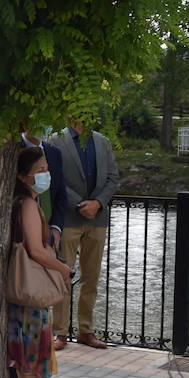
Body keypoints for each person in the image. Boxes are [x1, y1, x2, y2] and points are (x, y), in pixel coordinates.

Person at [9, 147, 78, 378]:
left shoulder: (32, 202)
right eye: (40, 170)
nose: (46, 174)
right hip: (27, 287)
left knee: (38, 344)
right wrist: (62, 268)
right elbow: (35, 250)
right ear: (24, 176)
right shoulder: (26, 204)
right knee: (28, 344)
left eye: (47, 169)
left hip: (31, 290)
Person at [47, 118, 119, 349]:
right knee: (63, 275)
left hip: (97, 219)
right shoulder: (56, 140)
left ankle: (85, 330)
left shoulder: (103, 142)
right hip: (69, 218)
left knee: (92, 277)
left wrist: (97, 203)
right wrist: (81, 204)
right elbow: (53, 179)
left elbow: (112, 178)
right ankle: (60, 331)